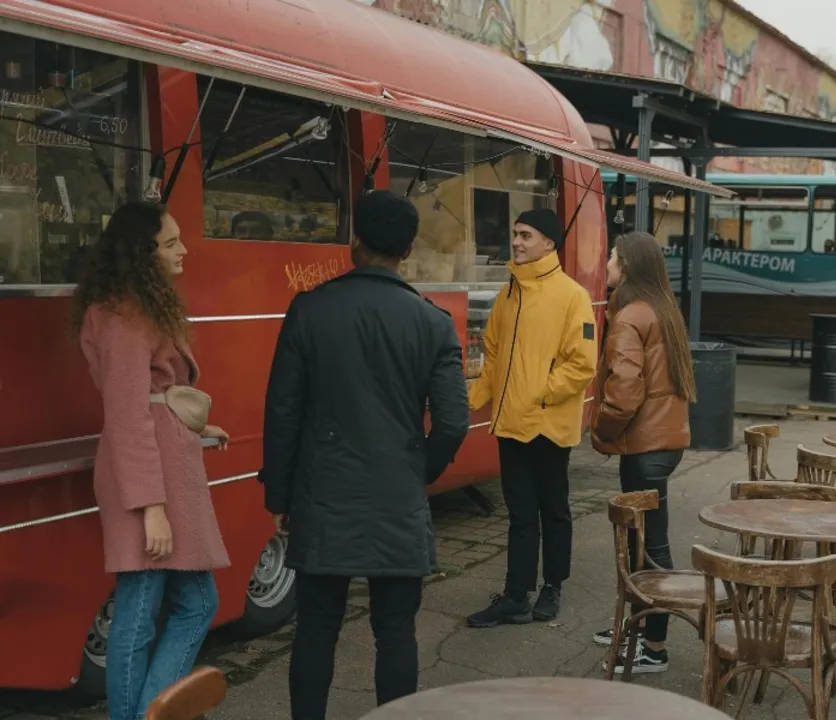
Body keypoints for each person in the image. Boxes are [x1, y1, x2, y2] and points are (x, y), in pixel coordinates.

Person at [259, 190, 470, 720]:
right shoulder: (433, 323)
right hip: (397, 494)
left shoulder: (309, 309)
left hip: (324, 492)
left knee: (315, 629)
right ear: (409, 249)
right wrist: (419, 471)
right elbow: (453, 421)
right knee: (395, 630)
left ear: (355, 242)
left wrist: (280, 495)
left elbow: (283, 412)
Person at [72, 201, 230, 720]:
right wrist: (151, 507)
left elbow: (150, 398)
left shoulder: (130, 306)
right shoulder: (125, 315)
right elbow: (127, 413)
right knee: (144, 611)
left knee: (186, 603)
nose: (183, 250)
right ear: (142, 254)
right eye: (170, 243)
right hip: (148, 478)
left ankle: (149, 714)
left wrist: (195, 427)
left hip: (161, 465)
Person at [466, 207, 598, 628]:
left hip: (547, 424)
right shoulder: (509, 292)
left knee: (553, 509)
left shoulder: (572, 295)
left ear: (548, 242)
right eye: (516, 233)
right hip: (510, 423)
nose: (517, 242)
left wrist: (539, 395)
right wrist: (471, 398)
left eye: (526, 235)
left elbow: (582, 363)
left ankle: (553, 586)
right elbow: (493, 353)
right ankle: (516, 595)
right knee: (521, 514)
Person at [589, 231, 695, 675]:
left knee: (647, 549)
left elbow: (624, 392)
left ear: (628, 265)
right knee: (642, 544)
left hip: (645, 447)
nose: (607, 263)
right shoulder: (661, 308)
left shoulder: (631, 315)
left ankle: (653, 647)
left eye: (613, 257)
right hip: (663, 442)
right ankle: (634, 629)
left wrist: (600, 431)